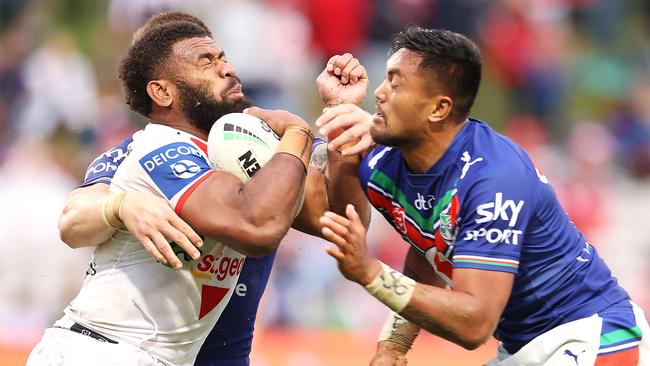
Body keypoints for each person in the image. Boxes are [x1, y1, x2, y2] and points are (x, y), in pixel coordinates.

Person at [28, 13, 370, 366]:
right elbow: (73, 218)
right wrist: (120, 206)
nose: (226, 68)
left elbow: (339, 220)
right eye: (205, 61)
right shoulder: (156, 147)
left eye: (222, 57)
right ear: (160, 90)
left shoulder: (248, 145)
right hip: (107, 351)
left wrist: (339, 116)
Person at [316, 25, 650, 365]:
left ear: (438, 109)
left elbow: (475, 324)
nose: (380, 93)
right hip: (520, 347)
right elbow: (412, 252)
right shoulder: (388, 161)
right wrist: (393, 345)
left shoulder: (493, 177)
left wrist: (371, 273)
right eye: (385, 79)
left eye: (396, 83)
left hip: (592, 334)